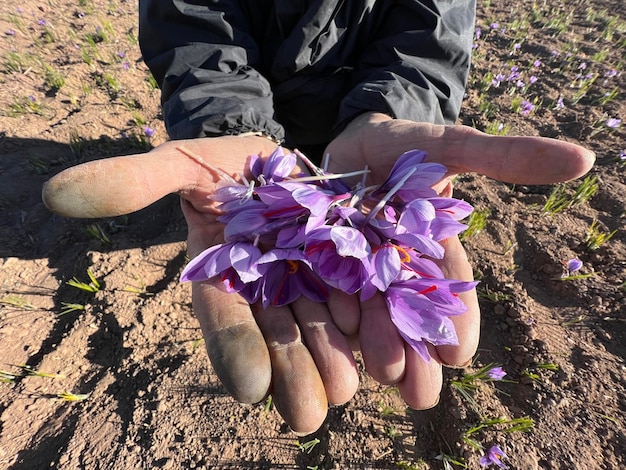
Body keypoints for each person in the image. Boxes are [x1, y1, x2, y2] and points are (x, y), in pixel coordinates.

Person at [42, 1, 595, 435]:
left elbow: (428, 30)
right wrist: (221, 122)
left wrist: (398, 114)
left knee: (350, 269)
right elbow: (193, 26)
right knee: (263, 237)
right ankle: (272, 211)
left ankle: (304, 218)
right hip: (257, 148)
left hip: (361, 141)